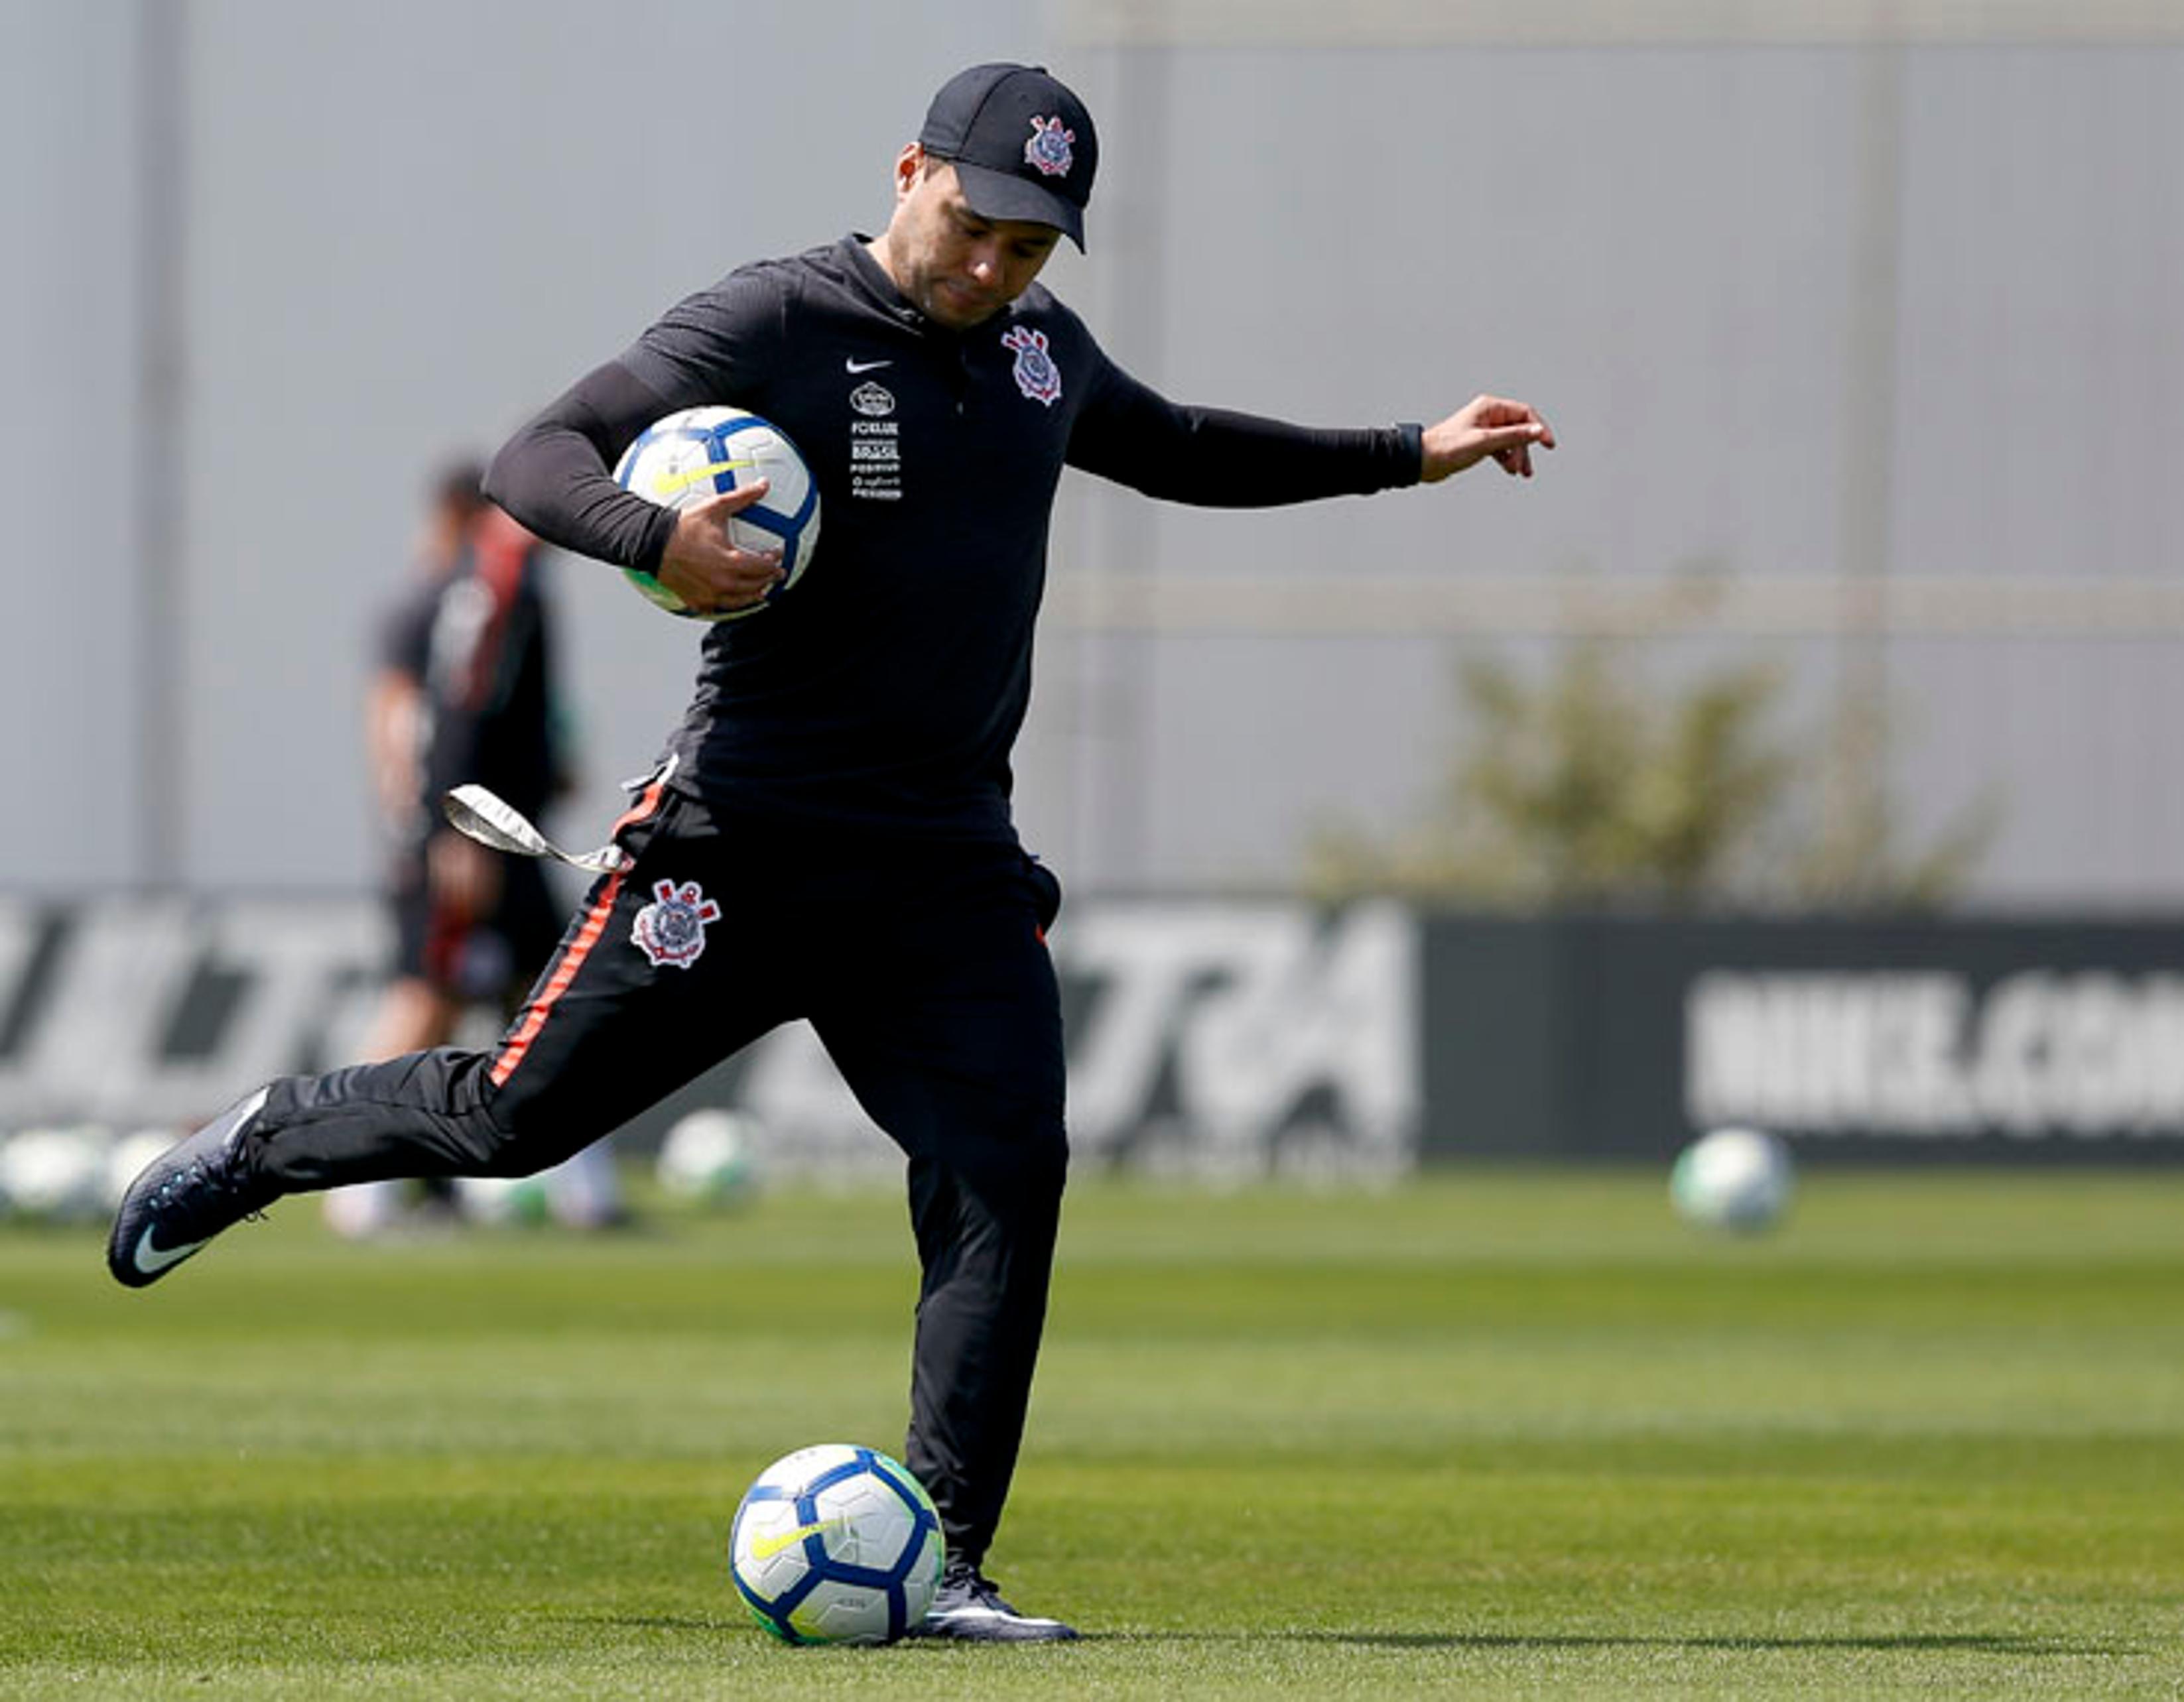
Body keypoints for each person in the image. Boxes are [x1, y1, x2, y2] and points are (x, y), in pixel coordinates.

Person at [109, 61, 1553, 1640]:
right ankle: (264, 1136)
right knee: (517, 1122)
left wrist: (1407, 447)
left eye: (1035, 242)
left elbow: (1180, 443)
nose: (1000, 263)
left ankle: (941, 1559)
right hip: (739, 844)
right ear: (912, 170)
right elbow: (541, 456)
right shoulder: (775, 322)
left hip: (943, 868)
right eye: (982, 221)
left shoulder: (1034, 351)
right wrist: (658, 536)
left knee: (1006, 1172)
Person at [330, 460, 623, 1237]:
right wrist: (446, 824)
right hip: (471, 834)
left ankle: (588, 1193)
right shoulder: (484, 582)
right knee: (428, 997)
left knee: (546, 995)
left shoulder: (503, 583)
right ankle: (352, 1185)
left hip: (499, 830)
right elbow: (434, 716)